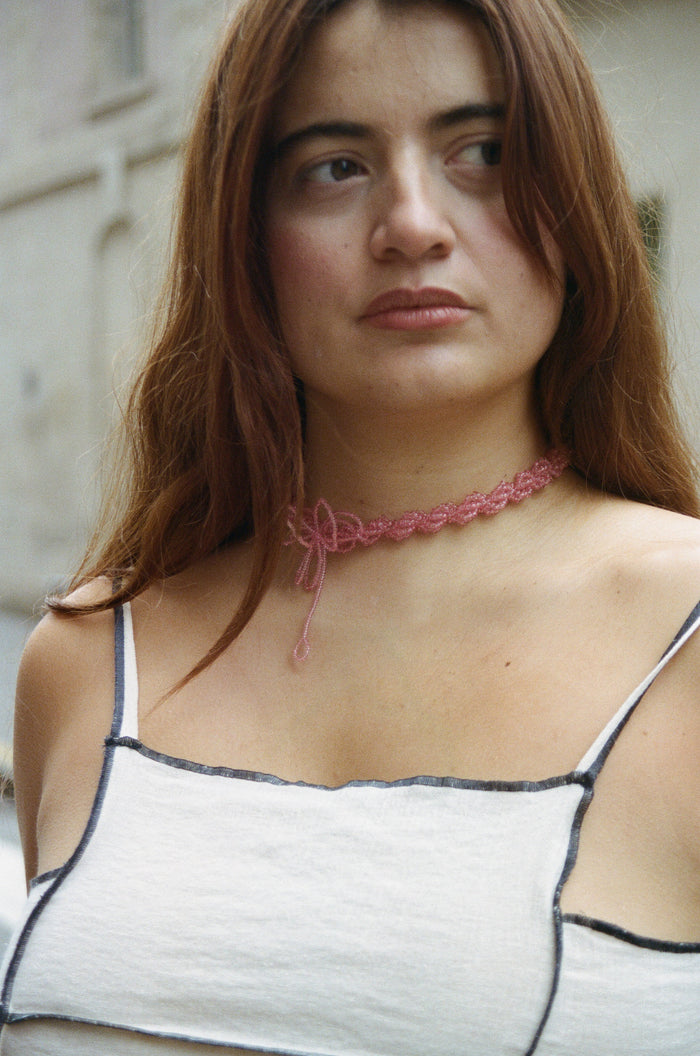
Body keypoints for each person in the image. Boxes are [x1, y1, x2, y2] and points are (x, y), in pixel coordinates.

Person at [1, 0, 699, 1051]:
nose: (413, 223)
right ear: (246, 239)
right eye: (335, 167)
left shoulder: (684, 637)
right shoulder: (89, 659)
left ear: (576, 205)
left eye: (485, 152)